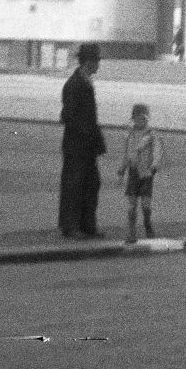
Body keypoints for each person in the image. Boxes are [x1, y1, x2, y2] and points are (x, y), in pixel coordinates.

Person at [58, 43, 107, 239]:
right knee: (74, 186)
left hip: (86, 146)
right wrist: (88, 134)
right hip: (76, 146)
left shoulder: (85, 82)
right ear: (88, 62)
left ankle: (87, 225)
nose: (99, 64)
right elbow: (68, 116)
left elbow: (90, 117)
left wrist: (96, 141)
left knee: (91, 184)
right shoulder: (74, 84)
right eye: (97, 60)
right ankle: (70, 227)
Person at [118, 102, 164, 242]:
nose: (140, 120)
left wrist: (154, 166)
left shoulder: (152, 134)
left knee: (146, 202)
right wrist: (122, 168)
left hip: (146, 172)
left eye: (143, 118)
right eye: (137, 118)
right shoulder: (130, 134)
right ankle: (132, 231)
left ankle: (147, 224)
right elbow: (127, 153)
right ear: (133, 118)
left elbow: (157, 151)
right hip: (133, 171)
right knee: (132, 202)